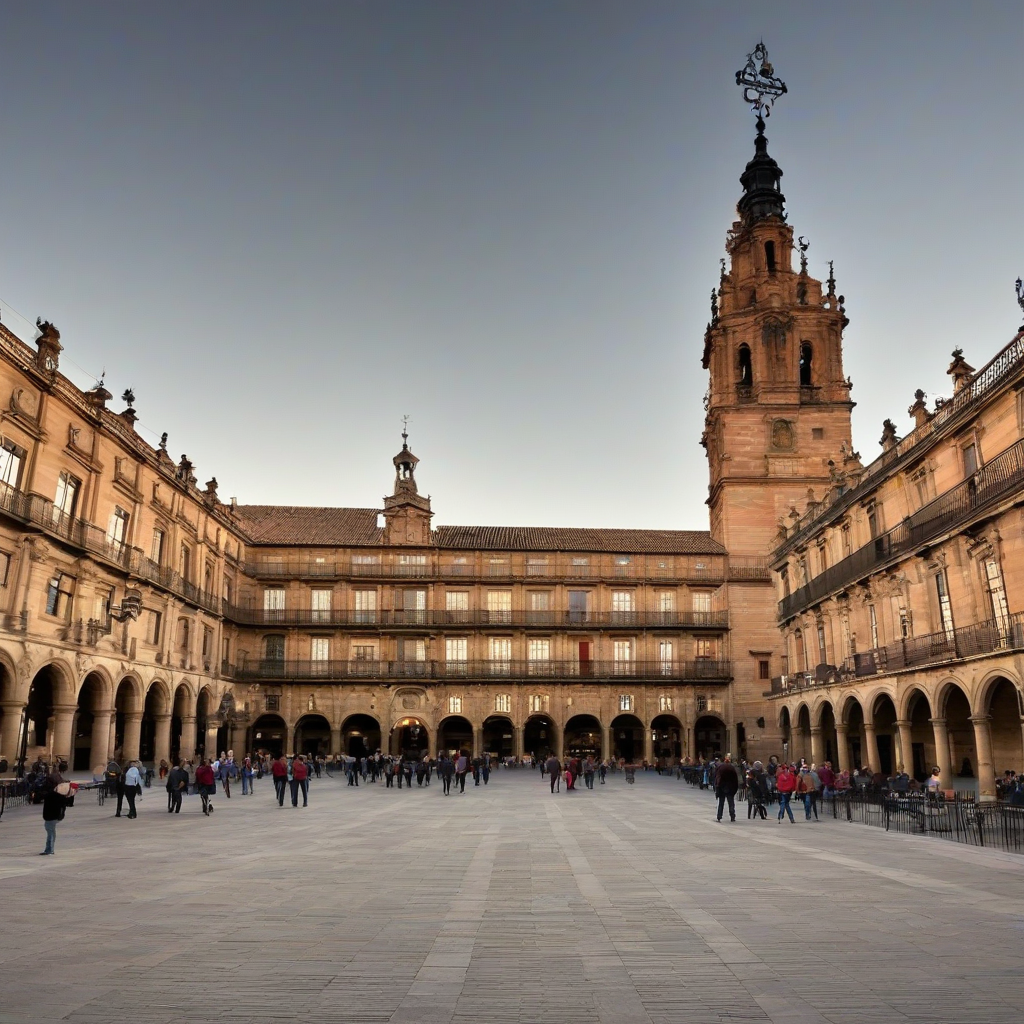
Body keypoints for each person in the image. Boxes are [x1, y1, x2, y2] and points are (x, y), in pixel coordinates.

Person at [41, 777, 76, 854]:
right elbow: (68, 803)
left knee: (50, 832)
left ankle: (50, 849)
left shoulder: (52, 795)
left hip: (51, 816)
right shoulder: (60, 796)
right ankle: (49, 849)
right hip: (56, 816)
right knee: (51, 832)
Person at [713, 755, 740, 822]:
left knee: (721, 803)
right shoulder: (732, 768)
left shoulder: (720, 768)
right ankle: (732, 816)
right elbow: (735, 779)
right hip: (730, 788)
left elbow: (717, 778)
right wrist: (735, 789)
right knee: (731, 802)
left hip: (722, 787)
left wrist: (717, 787)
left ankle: (719, 816)